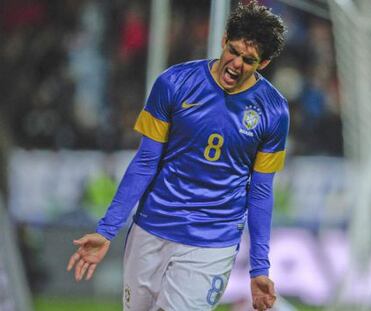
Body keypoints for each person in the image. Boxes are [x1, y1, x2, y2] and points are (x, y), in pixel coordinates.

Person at [67, 1, 288, 310]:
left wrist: (259, 267)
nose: (237, 64)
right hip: (153, 227)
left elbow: (262, 190)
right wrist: (107, 229)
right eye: (234, 52)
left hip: (212, 240)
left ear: (262, 64)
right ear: (223, 41)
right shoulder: (174, 83)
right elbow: (145, 162)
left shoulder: (273, 111)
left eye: (248, 60)